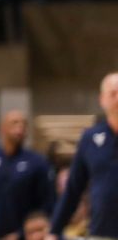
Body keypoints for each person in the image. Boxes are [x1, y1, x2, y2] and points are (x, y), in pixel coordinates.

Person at [49, 72, 118, 239]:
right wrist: (54, 231)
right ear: (102, 99)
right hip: (101, 233)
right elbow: (73, 189)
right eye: (113, 93)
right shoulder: (90, 139)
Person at [0, 110, 54, 240]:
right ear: (2, 128)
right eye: (14, 123)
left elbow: (47, 206)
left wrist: (20, 234)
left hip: (26, 236)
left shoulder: (38, 162)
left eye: (24, 124)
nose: (20, 127)